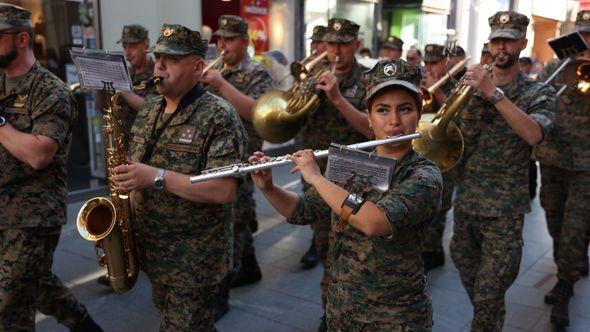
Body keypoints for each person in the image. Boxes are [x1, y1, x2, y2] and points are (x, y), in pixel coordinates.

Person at [250, 58, 442, 330]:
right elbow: (303, 209)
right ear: (370, 116)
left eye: (405, 109)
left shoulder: (424, 175)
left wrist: (316, 177)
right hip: (342, 308)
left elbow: (374, 221)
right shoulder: (355, 161)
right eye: (383, 110)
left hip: (393, 317)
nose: (394, 121)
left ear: (419, 112)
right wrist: (269, 187)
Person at [112, 23, 247, 331]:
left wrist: (157, 177)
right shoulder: (149, 110)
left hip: (193, 258)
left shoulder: (219, 115)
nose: (159, 66)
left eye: (170, 60)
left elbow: (222, 190)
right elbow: (135, 167)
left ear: (198, 66)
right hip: (152, 248)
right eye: (158, 57)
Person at [450, 11, 555, 331]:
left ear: (522, 43)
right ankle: (488, 317)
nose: (501, 47)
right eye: (496, 40)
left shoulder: (537, 92)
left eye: (509, 40)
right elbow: (450, 134)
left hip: (505, 210)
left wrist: (493, 94)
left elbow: (535, 134)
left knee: (489, 290)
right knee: (472, 278)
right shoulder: (468, 85)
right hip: (467, 201)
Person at [0, 4, 102, 331]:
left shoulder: (50, 91)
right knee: (38, 284)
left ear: (22, 39)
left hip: (32, 214)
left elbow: (38, 154)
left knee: (9, 304)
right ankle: (84, 325)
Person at [299, 17, 373, 330]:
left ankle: (342, 315)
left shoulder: (369, 80)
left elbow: (371, 128)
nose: (336, 51)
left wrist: (338, 99)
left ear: (356, 44)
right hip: (318, 174)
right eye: (331, 44)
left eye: (343, 44)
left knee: (348, 251)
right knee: (324, 246)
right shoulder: (314, 74)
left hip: (356, 177)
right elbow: (291, 116)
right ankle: (330, 311)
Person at [201, 14, 273, 319]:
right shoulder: (211, 69)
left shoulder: (258, 73)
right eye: (220, 39)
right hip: (214, 154)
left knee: (234, 220)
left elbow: (257, 112)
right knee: (236, 216)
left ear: (244, 42)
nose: (223, 45)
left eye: (229, 40)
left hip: (245, 156)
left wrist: (220, 83)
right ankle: (251, 267)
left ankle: (221, 293)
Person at [533, 10, 590, 328]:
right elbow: (535, 100)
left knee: (575, 227)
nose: (587, 42)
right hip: (553, 159)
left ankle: (565, 285)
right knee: (555, 220)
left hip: (587, 166)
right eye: (584, 35)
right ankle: (572, 262)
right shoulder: (556, 68)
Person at [96, 24, 158, 287]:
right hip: (122, 149)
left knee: (142, 208)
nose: (127, 51)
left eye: (132, 46)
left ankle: (142, 259)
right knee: (121, 207)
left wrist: (123, 91)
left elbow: (152, 110)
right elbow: (103, 108)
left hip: (148, 153)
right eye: (124, 46)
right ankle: (120, 261)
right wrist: (102, 88)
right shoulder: (125, 72)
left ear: (145, 45)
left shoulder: (158, 72)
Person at [421, 43, 458, 270]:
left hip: (446, 152)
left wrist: (439, 93)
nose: (430, 67)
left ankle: (434, 251)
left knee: (440, 205)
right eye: (427, 62)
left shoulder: (456, 86)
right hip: (424, 149)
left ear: (446, 62)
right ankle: (426, 248)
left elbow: (459, 119)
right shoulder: (421, 83)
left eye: (434, 62)